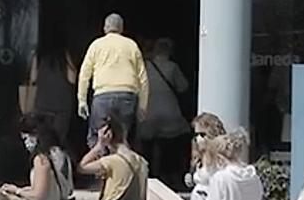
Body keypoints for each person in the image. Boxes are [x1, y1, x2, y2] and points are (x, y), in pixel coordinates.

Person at [77, 13, 149, 150]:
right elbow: (143, 78)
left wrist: (82, 100)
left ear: (105, 28)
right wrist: (143, 106)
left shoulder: (96, 45)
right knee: (123, 139)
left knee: (98, 139)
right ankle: (122, 168)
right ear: (121, 29)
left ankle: (101, 168)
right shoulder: (132, 45)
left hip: (102, 96)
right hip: (127, 96)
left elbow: (84, 74)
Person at [139, 37, 191, 185]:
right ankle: (168, 174)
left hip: (148, 112)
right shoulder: (172, 67)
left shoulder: (145, 67)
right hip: (169, 112)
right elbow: (183, 87)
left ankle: (147, 176)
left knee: (147, 146)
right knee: (171, 143)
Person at [29, 36, 78, 149]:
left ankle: (44, 164)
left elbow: (33, 78)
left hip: (42, 104)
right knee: (60, 140)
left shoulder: (39, 56)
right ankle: (59, 164)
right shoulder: (64, 56)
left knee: (43, 141)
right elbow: (72, 79)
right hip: (62, 106)